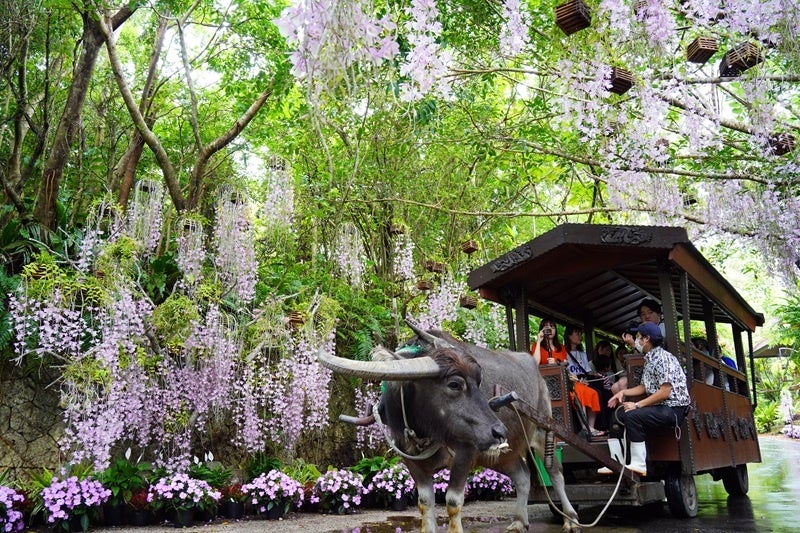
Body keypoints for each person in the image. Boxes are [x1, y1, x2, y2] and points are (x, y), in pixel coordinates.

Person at [599, 322, 690, 476]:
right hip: (660, 407)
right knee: (617, 415)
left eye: (638, 338)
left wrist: (637, 405)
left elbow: (664, 392)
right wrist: (622, 392)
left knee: (633, 415)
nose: (636, 341)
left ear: (647, 339)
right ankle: (615, 463)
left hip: (673, 410)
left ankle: (639, 464)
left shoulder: (663, 358)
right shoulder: (649, 358)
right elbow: (644, 387)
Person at [563, 326, 605, 437]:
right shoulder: (563, 352)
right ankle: (585, 427)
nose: (580, 336)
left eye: (580, 334)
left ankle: (591, 426)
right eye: (577, 333)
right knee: (579, 392)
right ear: (569, 335)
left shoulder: (583, 354)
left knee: (594, 393)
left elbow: (587, 372)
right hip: (572, 383)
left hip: (582, 381)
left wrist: (587, 380)